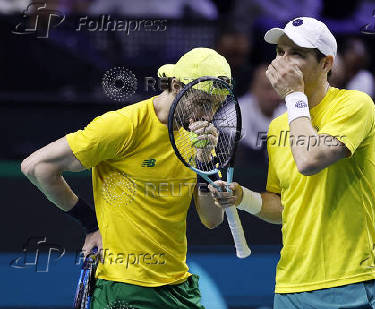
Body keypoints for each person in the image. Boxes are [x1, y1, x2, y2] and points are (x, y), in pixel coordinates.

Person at [21, 48, 229, 309]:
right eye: (201, 102)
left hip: (178, 287)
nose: (208, 115)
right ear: (176, 86)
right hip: (122, 288)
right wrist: (90, 224)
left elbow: (212, 220)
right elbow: (36, 166)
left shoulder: (199, 137)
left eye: (216, 105)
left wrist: (205, 164)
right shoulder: (124, 126)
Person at [210, 17, 375, 308]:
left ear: (326, 63)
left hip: (347, 281)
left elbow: (309, 159)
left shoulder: (355, 106)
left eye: (297, 54)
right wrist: (241, 197)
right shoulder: (280, 127)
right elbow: (283, 206)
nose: (284, 63)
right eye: (280, 52)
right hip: (290, 286)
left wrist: (293, 95)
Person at [238, 63, 285, 151]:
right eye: (267, 88)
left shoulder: (289, 114)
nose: (274, 95)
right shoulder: (235, 113)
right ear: (253, 87)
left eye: (278, 89)